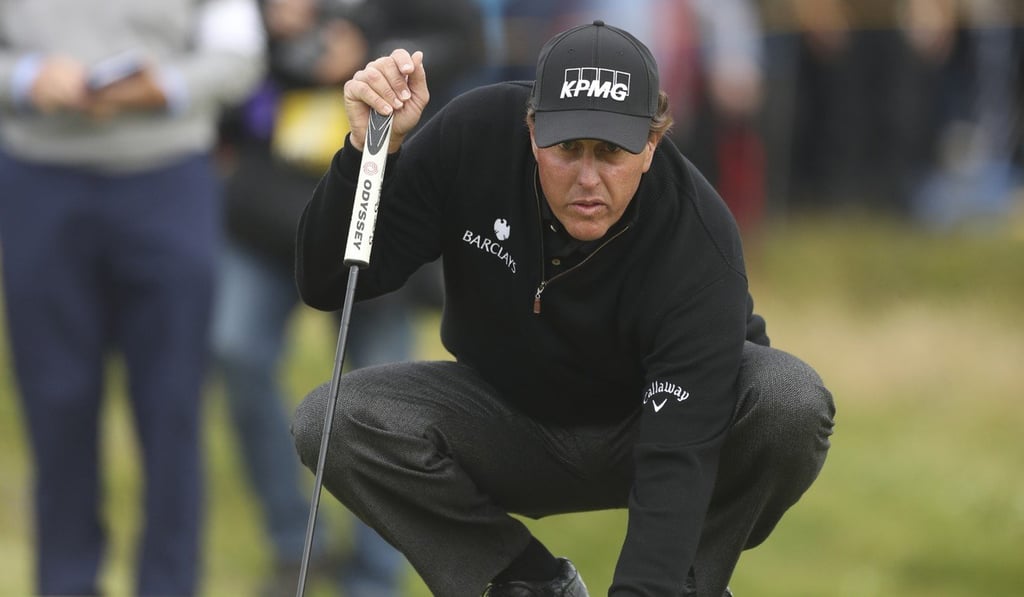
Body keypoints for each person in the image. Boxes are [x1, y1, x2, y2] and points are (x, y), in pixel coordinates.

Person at [291, 21, 835, 597]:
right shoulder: (474, 136)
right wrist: (367, 153)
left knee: (788, 400)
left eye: (611, 152)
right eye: (567, 149)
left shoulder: (698, 239)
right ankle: (527, 583)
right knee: (330, 420)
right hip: (505, 419)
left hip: (649, 426)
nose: (587, 178)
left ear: (651, 145)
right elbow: (329, 281)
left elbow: (679, 455)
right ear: (531, 132)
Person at [211, 0, 482, 595]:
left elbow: (465, 37)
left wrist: (364, 50)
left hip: (375, 204)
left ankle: (373, 575)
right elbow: (217, 59)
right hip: (264, 206)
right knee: (236, 351)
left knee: (382, 396)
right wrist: (268, 29)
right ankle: (293, 547)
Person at [0, 1, 265, 595]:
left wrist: (164, 87)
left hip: (167, 179)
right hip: (37, 180)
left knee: (173, 407)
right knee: (56, 402)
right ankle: (65, 582)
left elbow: (239, 54)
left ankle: (169, 584)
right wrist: (23, 78)